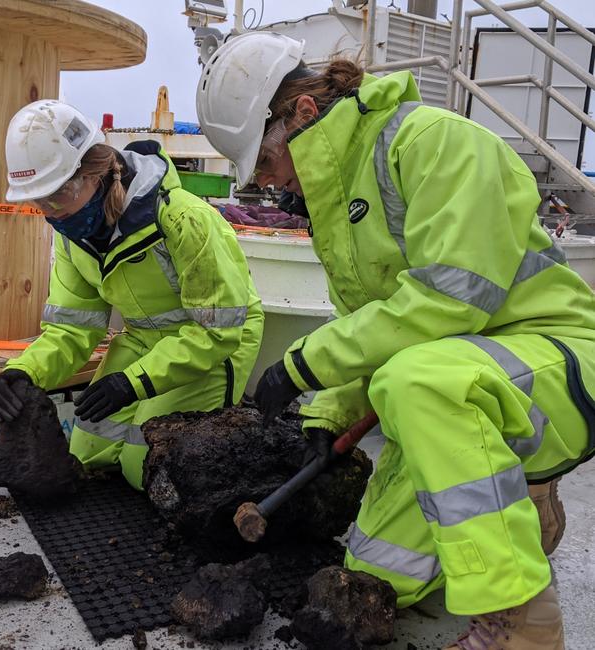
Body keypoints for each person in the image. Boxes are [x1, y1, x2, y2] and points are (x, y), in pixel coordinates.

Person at [196, 32, 595, 649]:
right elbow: (387, 329)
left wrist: (302, 365)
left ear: (302, 114)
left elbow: (446, 305)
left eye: (268, 164)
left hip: (557, 365)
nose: (274, 185)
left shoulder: (435, 142)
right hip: (465, 377)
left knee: (417, 384)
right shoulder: (342, 204)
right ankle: (521, 509)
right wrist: (329, 415)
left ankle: (522, 620)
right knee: (377, 576)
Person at [0, 99, 264, 491]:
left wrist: (132, 383)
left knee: (145, 466)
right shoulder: (74, 238)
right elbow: (71, 329)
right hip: (145, 341)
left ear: (96, 173)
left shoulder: (182, 219)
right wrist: (22, 372)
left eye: (59, 194)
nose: (53, 212)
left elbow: (218, 333)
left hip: (212, 344)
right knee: (87, 452)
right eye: (40, 202)